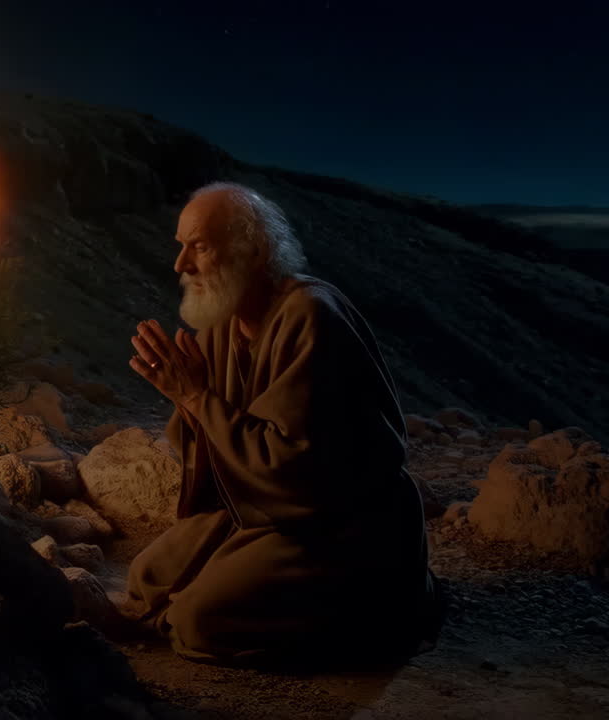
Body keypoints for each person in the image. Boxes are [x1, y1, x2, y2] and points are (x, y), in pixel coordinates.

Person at [118, 181, 442, 669]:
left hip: (336, 523)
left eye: (199, 246)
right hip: (262, 505)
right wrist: (186, 402)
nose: (180, 264)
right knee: (147, 579)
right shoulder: (223, 322)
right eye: (180, 246)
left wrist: (195, 397)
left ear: (253, 251)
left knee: (197, 621)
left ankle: (377, 613)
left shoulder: (311, 316)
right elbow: (208, 449)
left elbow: (294, 468)